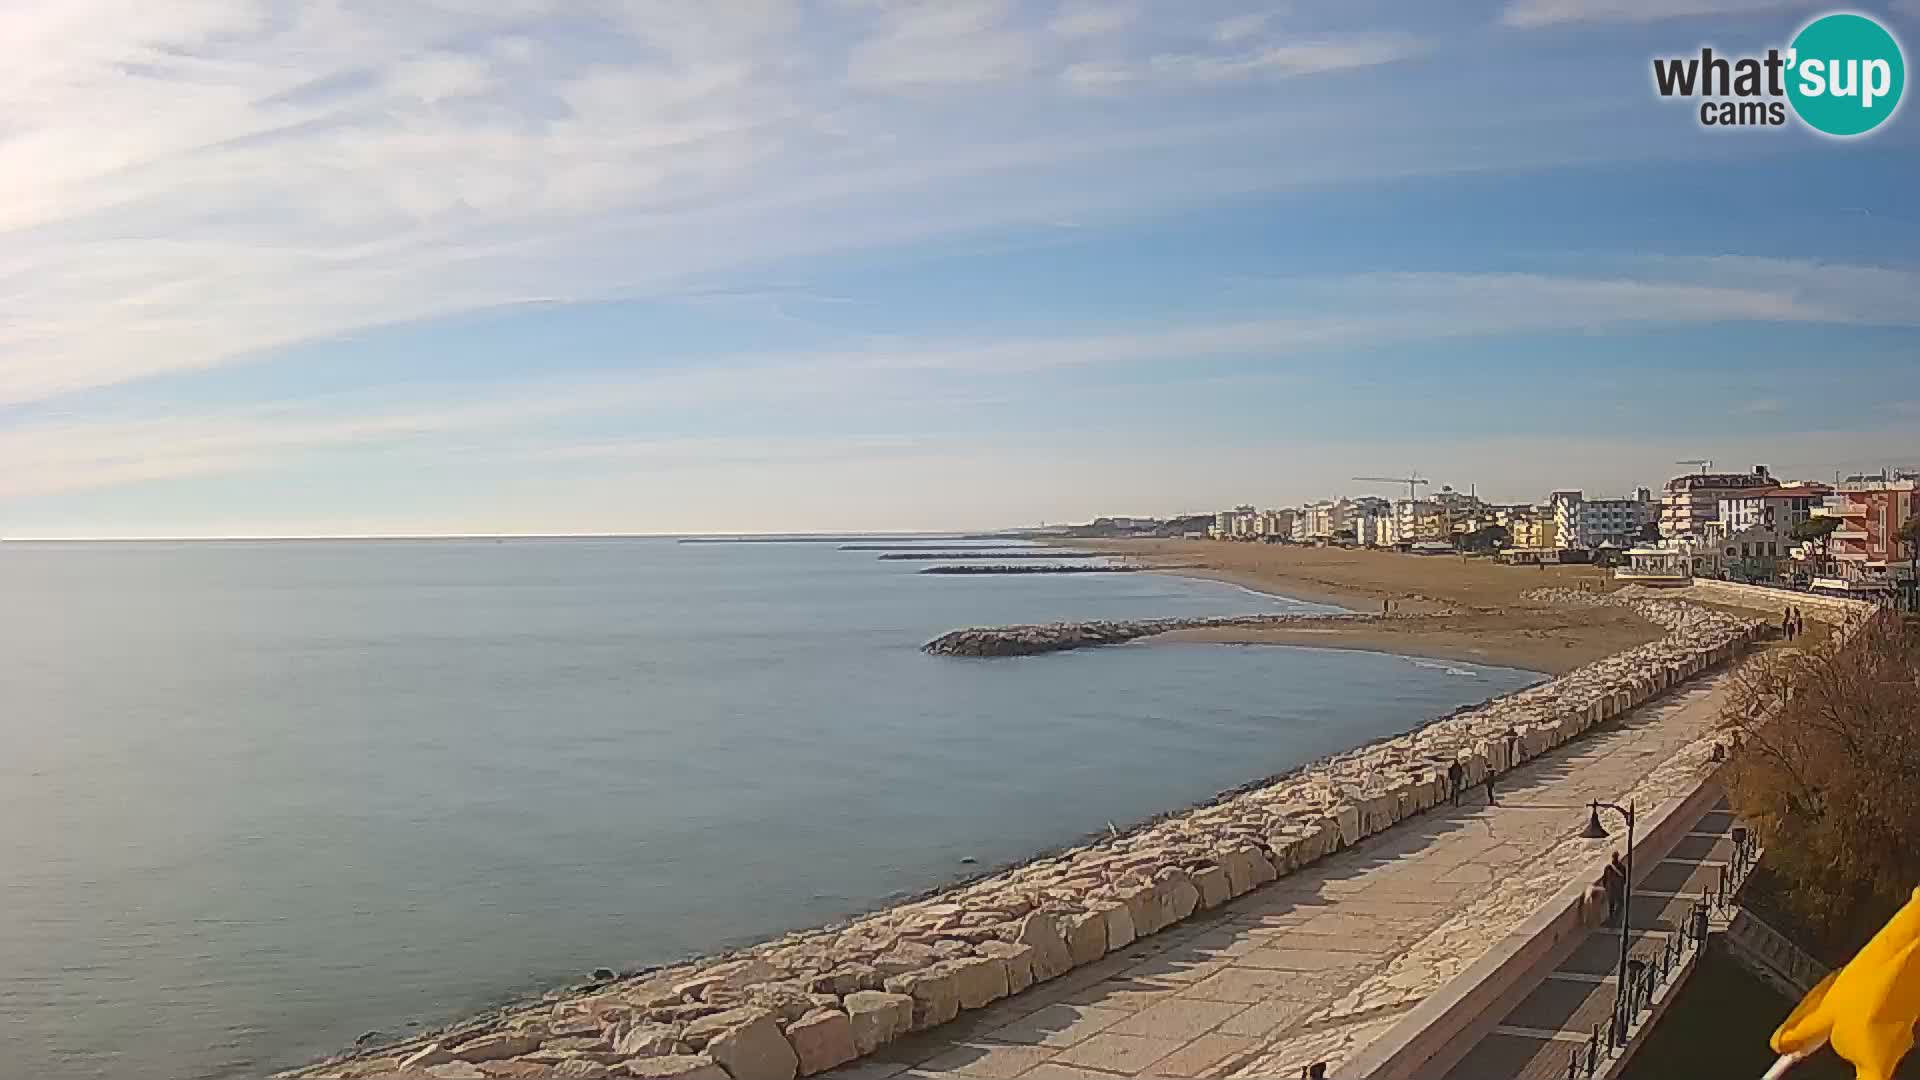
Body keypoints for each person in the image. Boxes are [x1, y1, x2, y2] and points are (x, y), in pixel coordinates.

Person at [1602, 852, 1627, 926]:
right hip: (1617, 888)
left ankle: (1612, 918)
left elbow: (1605, 879)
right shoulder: (1622, 867)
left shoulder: (1608, 867)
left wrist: (1605, 887)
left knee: (1612, 904)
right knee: (1619, 903)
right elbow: (1624, 879)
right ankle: (1616, 918)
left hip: (1611, 888)